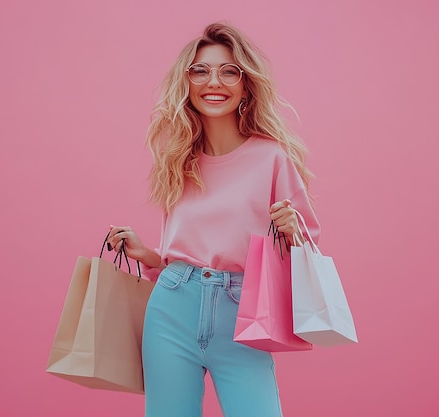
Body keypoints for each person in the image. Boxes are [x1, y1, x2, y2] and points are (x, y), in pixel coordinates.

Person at [107, 22, 320, 417]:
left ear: (245, 85)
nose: (213, 81)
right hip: (172, 308)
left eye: (229, 70)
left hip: (242, 317)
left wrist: (294, 232)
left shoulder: (271, 158)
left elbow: (306, 253)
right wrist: (151, 256)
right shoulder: (178, 161)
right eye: (200, 70)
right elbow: (187, 254)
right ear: (187, 83)